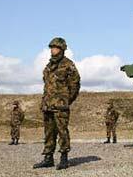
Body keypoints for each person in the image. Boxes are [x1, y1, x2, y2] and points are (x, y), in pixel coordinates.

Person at [33, 37, 80, 170]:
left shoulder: (68, 65)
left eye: (56, 48)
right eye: (51, 48)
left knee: (62, 131)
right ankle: (48, 158)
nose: (53, 50)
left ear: (62, 49)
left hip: (60, 106)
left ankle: (64, 158)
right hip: (48, 105)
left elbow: (75, 85)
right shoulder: (48, 66)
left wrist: (66, 100)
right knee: (48, 132)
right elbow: (47, 86)